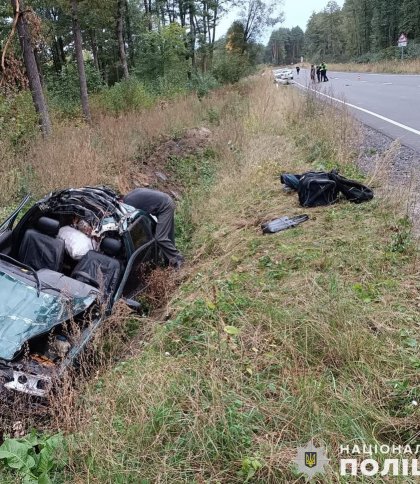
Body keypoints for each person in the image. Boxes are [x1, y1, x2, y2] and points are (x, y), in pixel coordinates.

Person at [123, 188, 184, 269]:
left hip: (165, 207)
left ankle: (179, 260)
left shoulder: (128, 204)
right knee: (168, 236)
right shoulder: (128, 197)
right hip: (164, 201)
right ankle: (169, 262)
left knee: (160, 238)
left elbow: (134, 219)